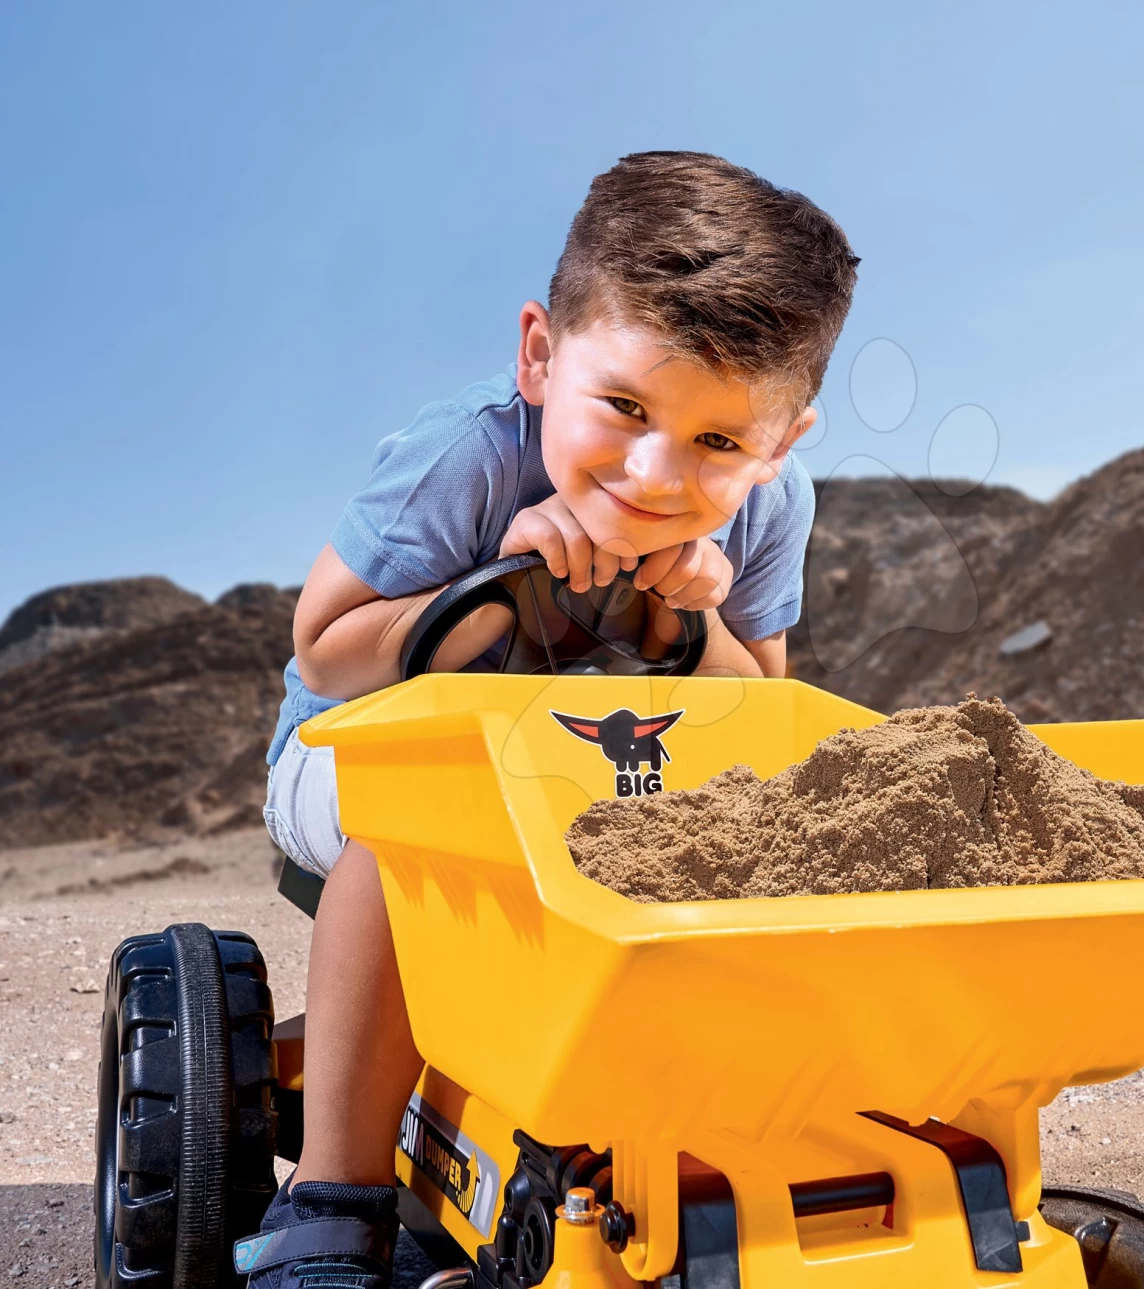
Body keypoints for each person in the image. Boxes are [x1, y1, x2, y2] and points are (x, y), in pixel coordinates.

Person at [237, 151, 858, 1287]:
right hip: (356, 756)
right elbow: (324, 650)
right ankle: (332, 1196)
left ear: (782, 441)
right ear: (539, 354)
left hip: (579, 792)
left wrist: (685, 631)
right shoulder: (469, 458)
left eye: (721, 441)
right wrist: (504, 587)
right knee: (425, 830)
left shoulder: (772, 509)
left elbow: (760, 712)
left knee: (739, 843)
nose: (658, 472)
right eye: (624, 406)